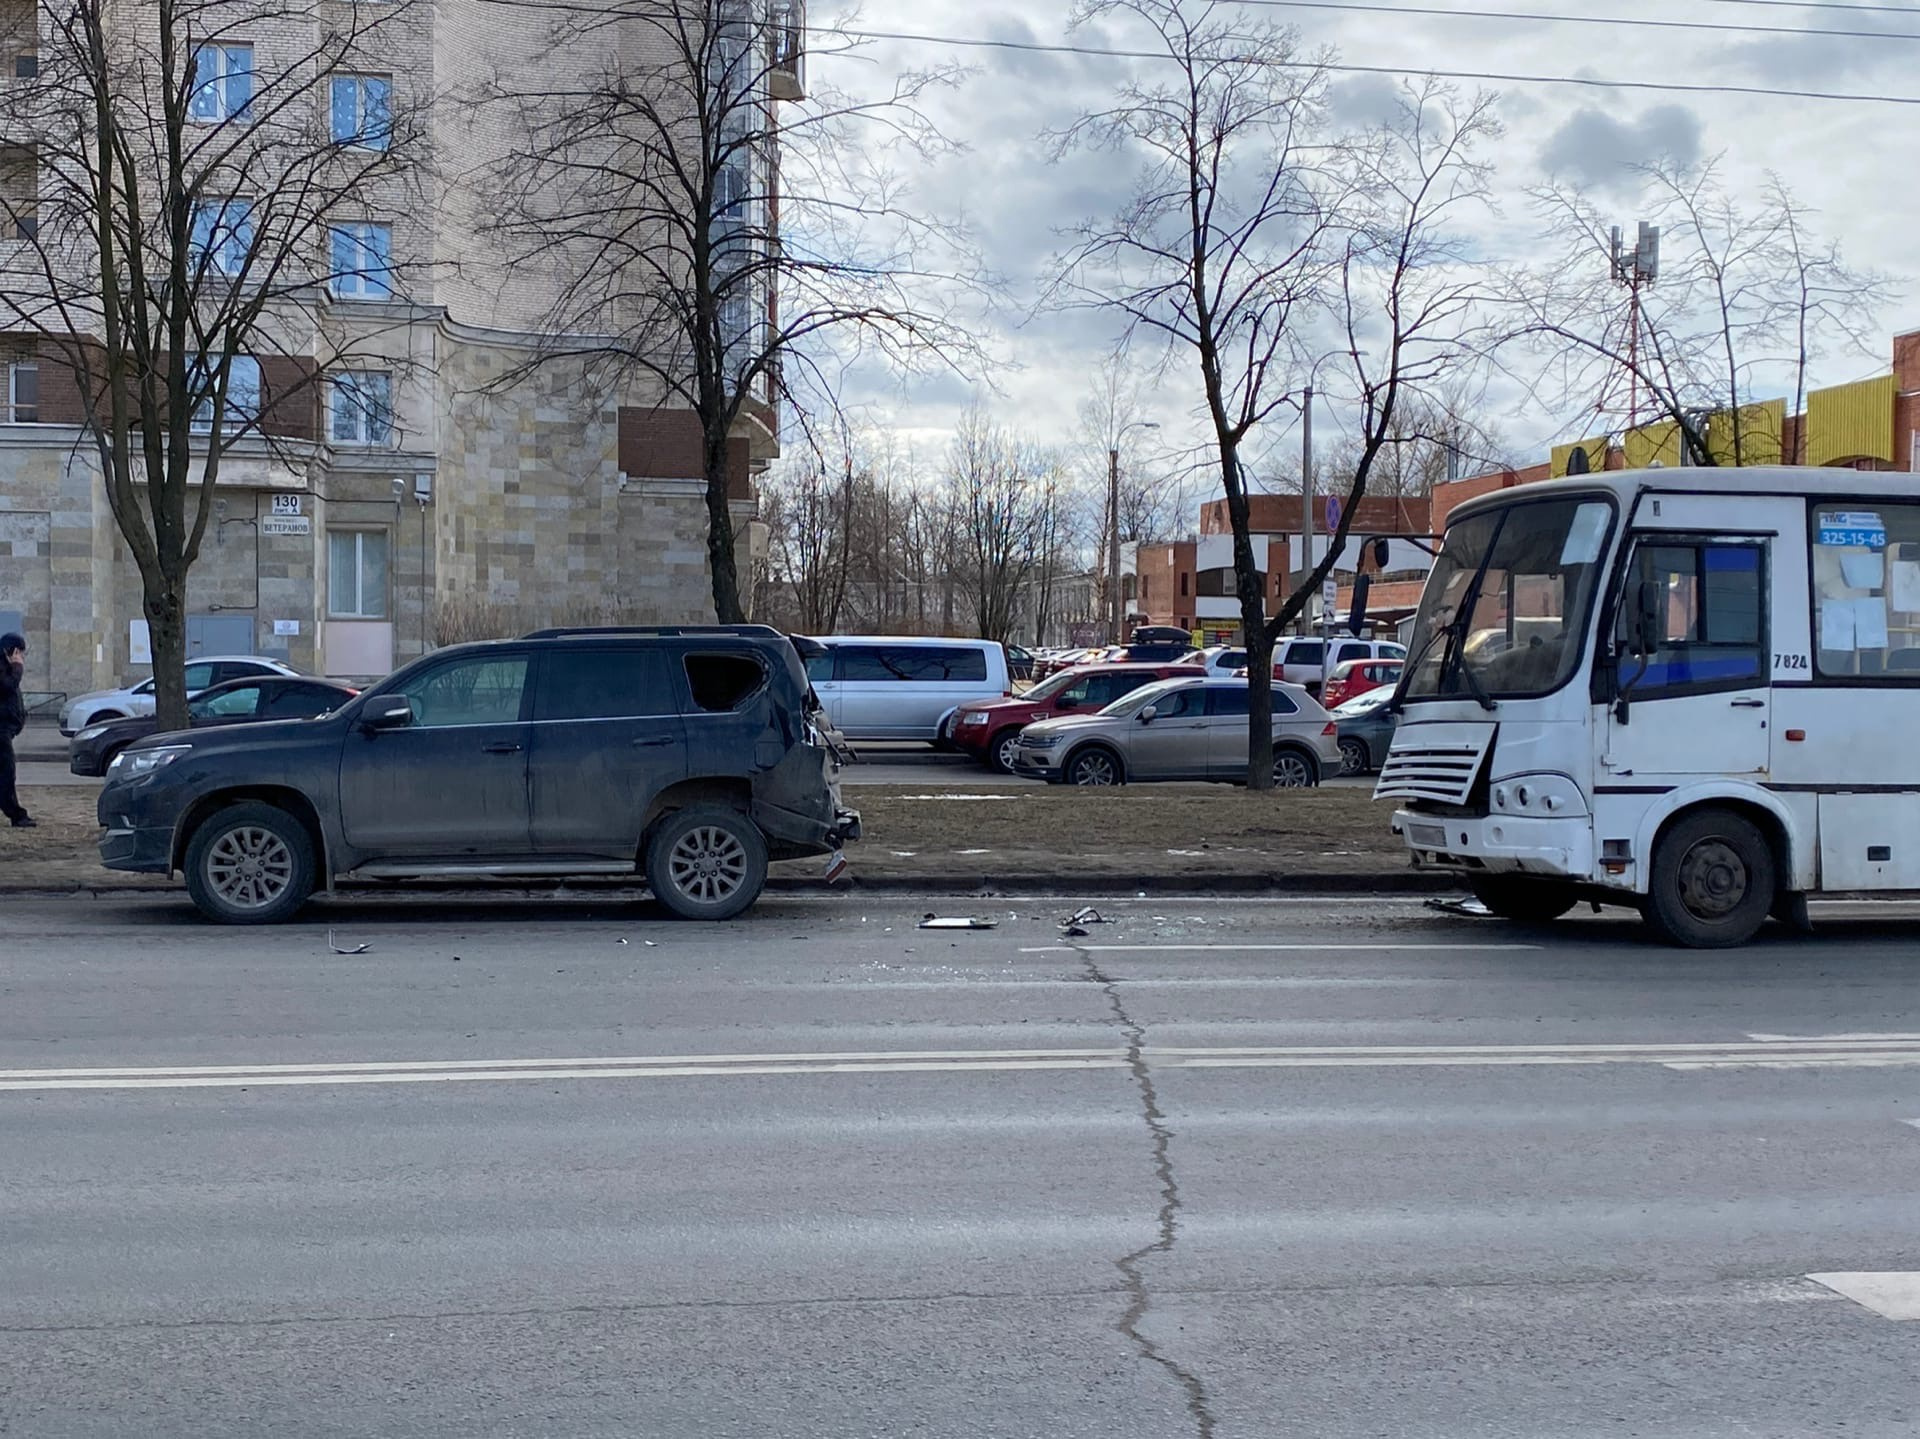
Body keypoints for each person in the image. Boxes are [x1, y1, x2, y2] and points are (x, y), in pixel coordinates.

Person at [1, 631, 31, 828]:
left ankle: (16, 813)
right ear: (11, 651)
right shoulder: (6, 667)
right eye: (19, 652)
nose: (21, 657)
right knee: (6, 772)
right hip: (0, 729)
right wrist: (17, 666)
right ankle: (17, 815)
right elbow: (8, 686)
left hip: (6, 728)